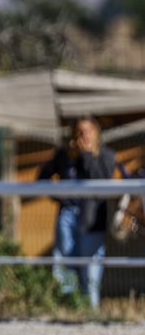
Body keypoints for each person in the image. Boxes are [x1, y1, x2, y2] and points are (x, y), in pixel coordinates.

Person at [37, 115, 116, 308]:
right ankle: (69, 308)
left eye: (88, 131)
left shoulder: (106, 155)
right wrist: (58, 195)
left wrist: (87, 155)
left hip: (92, 219)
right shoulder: (64, 155)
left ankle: (90, 311)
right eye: (80, 132)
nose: (84, 136)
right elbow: (42, 177)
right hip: (67, 215)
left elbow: (100, 180)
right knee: (65, 264)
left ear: (96, 133)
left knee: (90, 267)